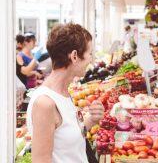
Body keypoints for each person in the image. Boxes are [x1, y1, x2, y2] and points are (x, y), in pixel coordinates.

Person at [26, 23, 104, 163]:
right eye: (89, 53)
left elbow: (66, 139)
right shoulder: (45, 103)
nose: (91, 59)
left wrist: (91, 120)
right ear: (74, 56)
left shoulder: (63, 92)